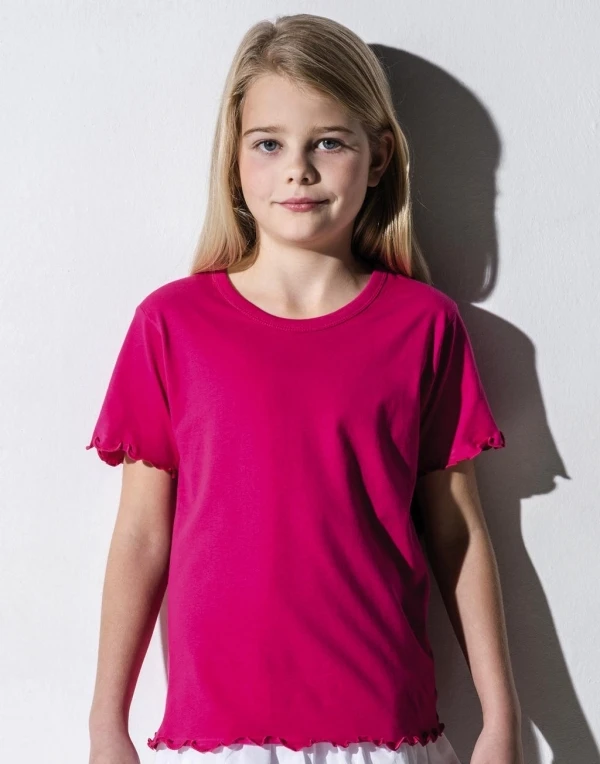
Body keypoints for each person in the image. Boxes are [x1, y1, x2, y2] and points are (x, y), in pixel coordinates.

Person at [86, 13, 523, 764]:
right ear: (235, 160)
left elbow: (458, 532)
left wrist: (502, 721)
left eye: (328, 142)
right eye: (269, 144)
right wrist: (106, 727)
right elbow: (140, 536)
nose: (299, 170)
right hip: (220, 737)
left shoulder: (424, 326)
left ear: (378, 157)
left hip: (384, 730)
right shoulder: (172, 325)